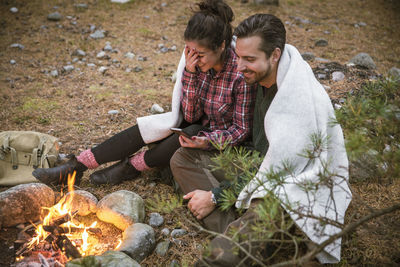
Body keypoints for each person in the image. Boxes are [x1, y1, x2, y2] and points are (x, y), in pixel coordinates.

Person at [170, 14, 352, 266]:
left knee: (217, 259)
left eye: (250, 59)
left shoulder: (295, 97)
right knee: (183, 158)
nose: (239, 65)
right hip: (255, 165)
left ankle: (242, 240)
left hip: (289, 187)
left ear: (275, 55)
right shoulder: (255, 78)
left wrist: (214, 196)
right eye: (240, 56)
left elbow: (277, 170)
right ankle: (242, 235)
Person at [32, 0, 256, 187]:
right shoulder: (195, 64)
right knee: (149, 128)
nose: (194, 59)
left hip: (221, 141)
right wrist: (189, 73)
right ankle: (76, 167)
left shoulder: (240, 73)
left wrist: (205, 141)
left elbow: (241, 130)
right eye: (190, 52)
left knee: (192, 131)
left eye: (201, 54)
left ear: (222, 46)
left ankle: (130, 167)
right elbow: (189, 112)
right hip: (195, 125)